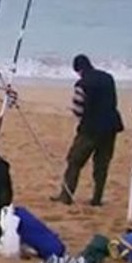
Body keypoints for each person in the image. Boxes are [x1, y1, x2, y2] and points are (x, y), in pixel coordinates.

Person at [52, 54, 123, 206]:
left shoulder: (82, 84)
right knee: (101, 165)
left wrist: (82, 122)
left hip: (90, 129)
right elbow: (114, 101)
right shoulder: (108, 78)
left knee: (74, 161)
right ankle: (97, 198)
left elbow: (78, 109)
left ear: (78, 70)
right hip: (111, 127)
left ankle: (66, 196)